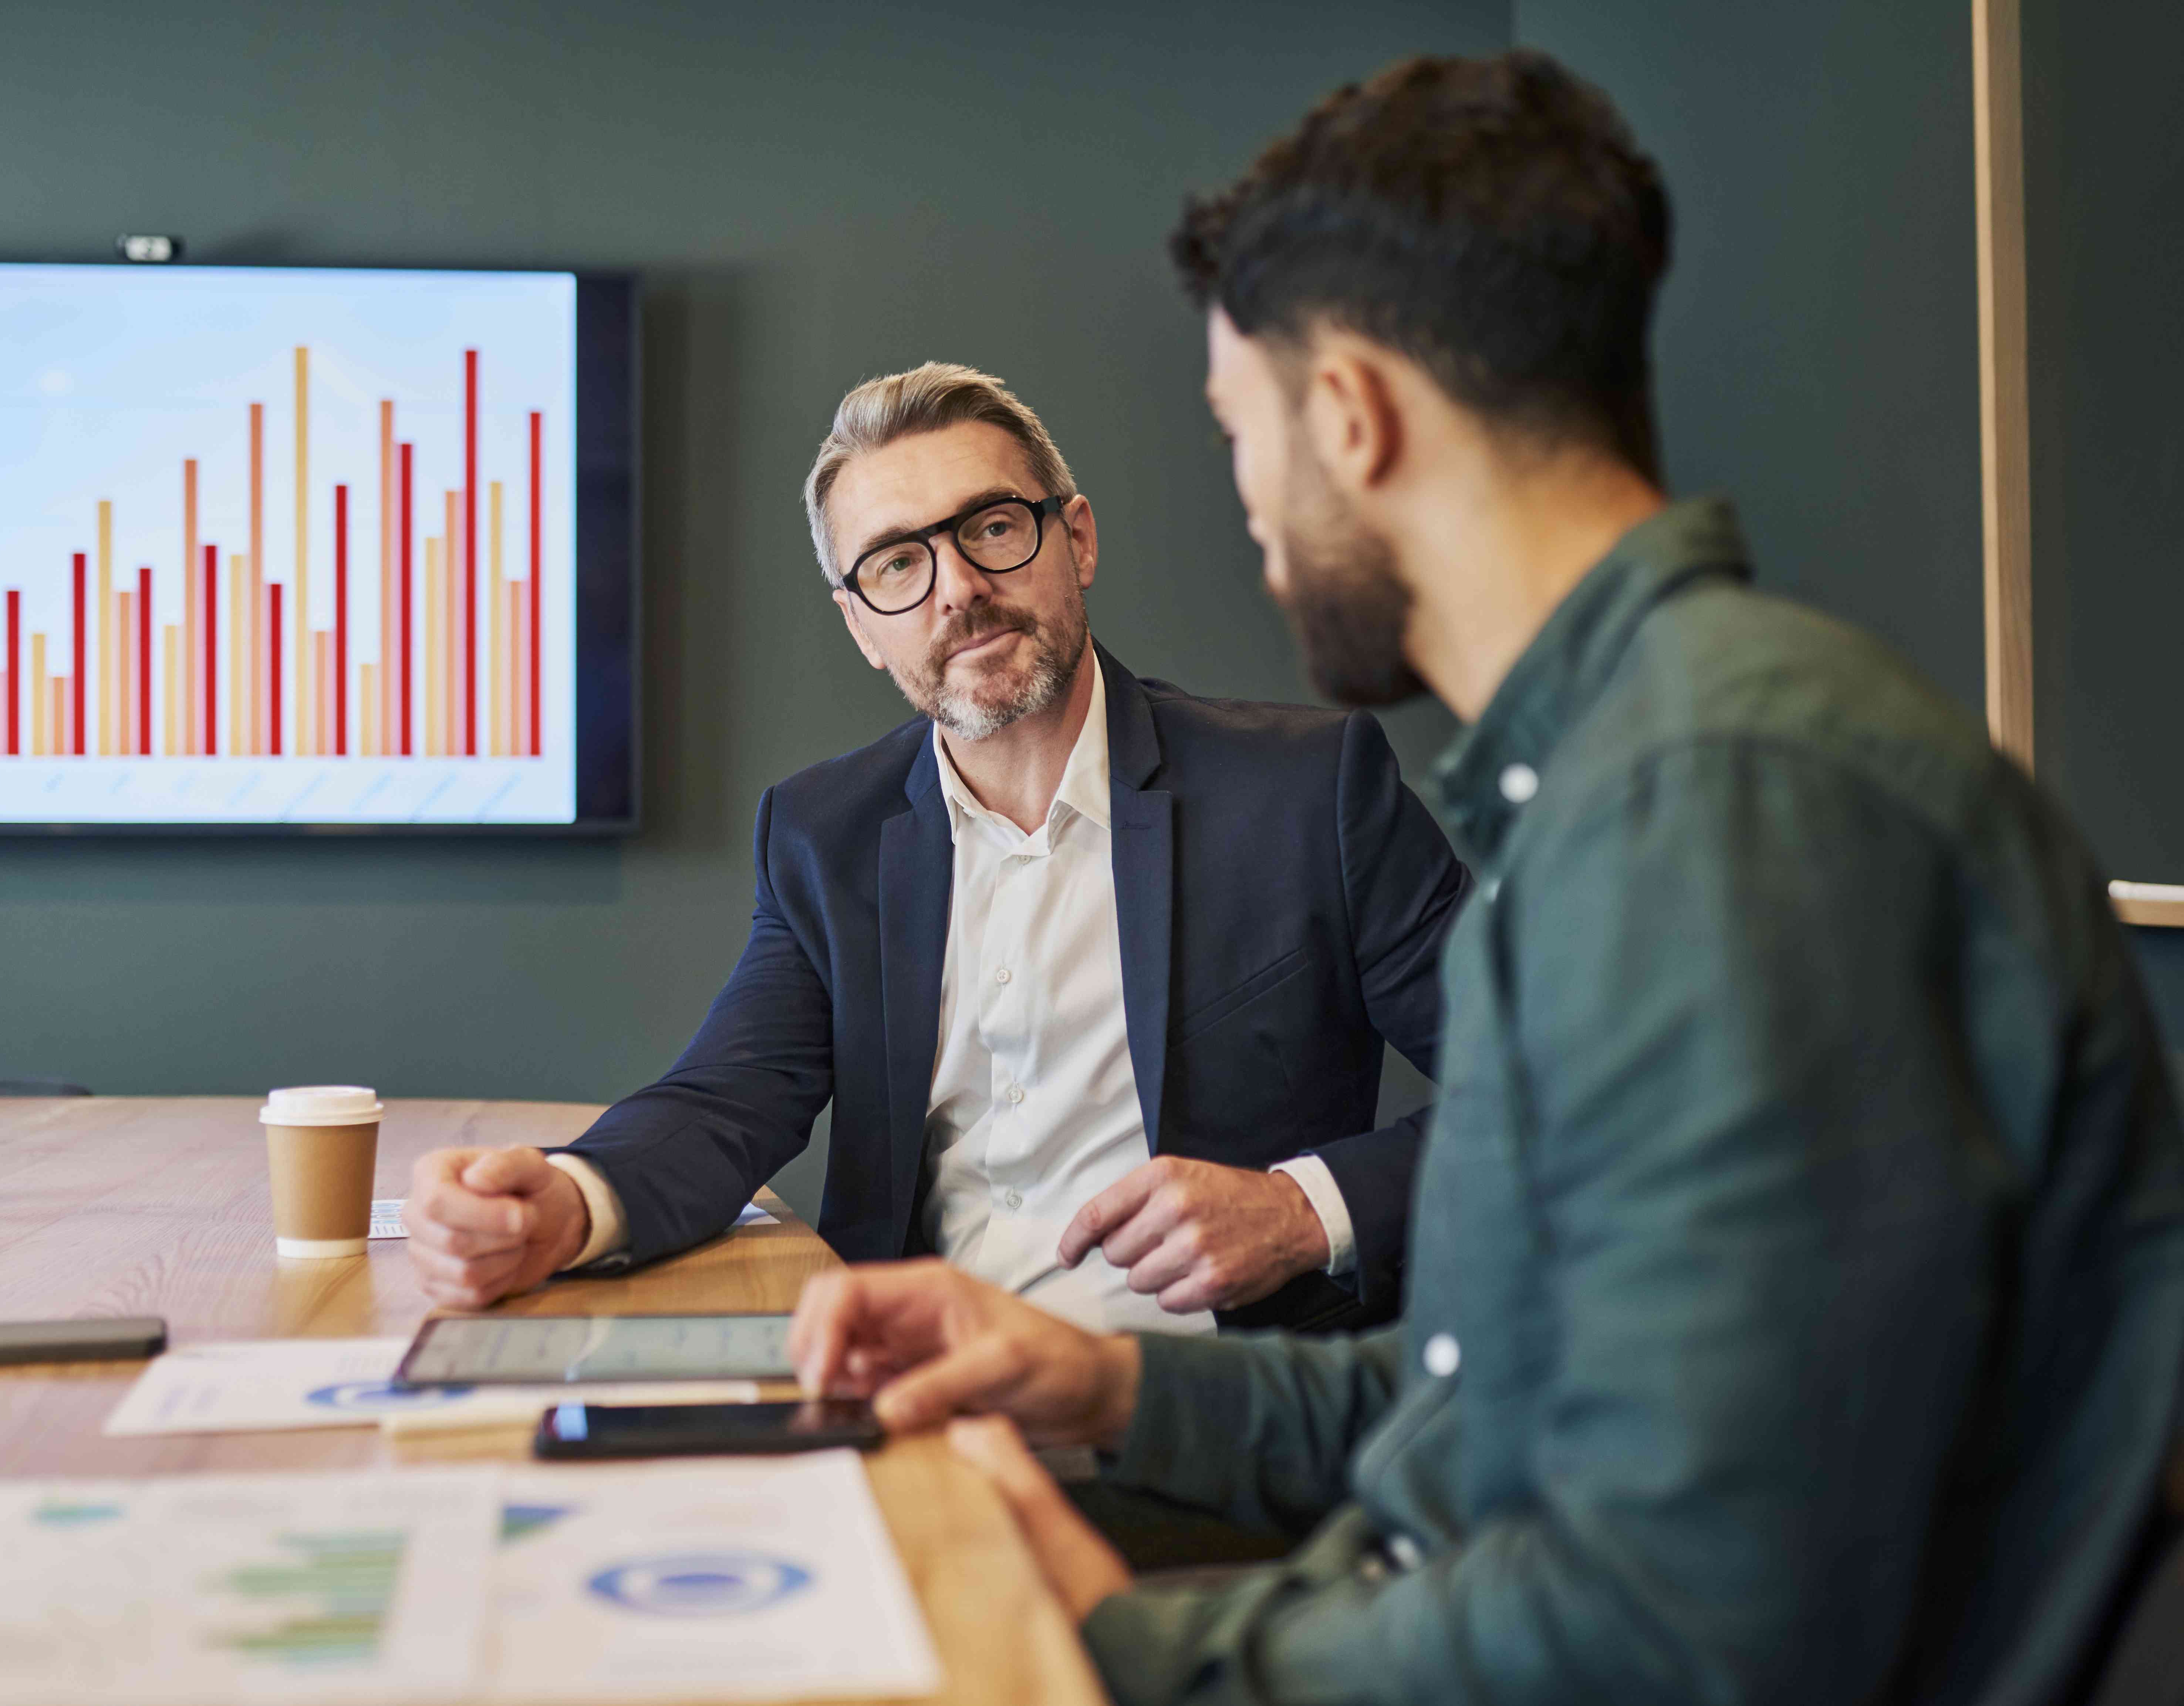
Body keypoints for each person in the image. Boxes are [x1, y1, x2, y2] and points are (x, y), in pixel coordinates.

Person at [785, 48, 2184, 1706]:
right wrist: (1099, 1382)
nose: (1243, 504)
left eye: (1239, 431)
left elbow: (1675, 1620)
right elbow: (1500, 1397)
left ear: (1352, 417)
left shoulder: (1718, 807)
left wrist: (1112, 1656)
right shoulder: (1626, 772)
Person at [407, 362, 1468, 1336]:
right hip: (920, 1396)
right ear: (863, 627)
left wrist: (1296, 1208)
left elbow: (1549, 1087)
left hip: (1218, 1415)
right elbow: (729, 1098)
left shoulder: (1304, 792)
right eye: (897, 564)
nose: (956, 588)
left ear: (1077, 539)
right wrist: (570, 1203)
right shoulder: (826, 835)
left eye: (993, 529)